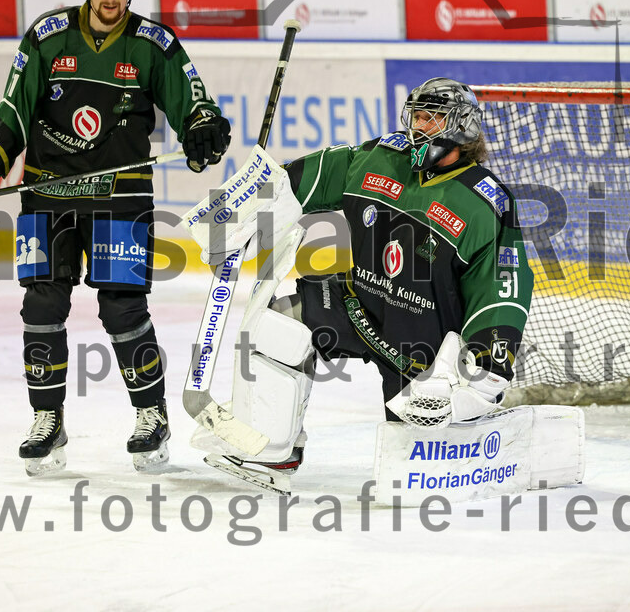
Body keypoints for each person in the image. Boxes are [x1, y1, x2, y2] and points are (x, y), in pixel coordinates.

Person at [0, 0, 232, 475]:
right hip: (48, 195)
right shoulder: (47, 39)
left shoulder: (153, 44)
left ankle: (152, 416)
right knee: (42, 307)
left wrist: (203, 129)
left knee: (123, 309)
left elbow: (193, 105)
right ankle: (47, 420)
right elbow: (12, 115)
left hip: (120, 198)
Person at [207, 77, 534, 486]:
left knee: (415, 476)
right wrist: (245, 203)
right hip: (359, 303)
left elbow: (504, 286)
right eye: (417, 116)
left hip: (421, 349)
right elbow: (312, 176)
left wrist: (486, 363)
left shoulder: (485, 202)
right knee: (277, 324)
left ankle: (445, 450)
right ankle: (270, 452)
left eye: (433, 119)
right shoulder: (382, 157)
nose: (420, 127)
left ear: (462, 128)